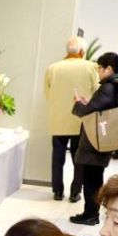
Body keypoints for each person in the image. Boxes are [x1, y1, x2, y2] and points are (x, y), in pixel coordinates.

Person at [70, 52, 118, 226]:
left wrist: (79, 104)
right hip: (102, 138)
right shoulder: (115, 85)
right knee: (95, 176)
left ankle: (90, 214)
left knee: (91, 178)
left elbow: (89, 111)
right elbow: (97, 108)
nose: (98, 71)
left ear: (108, 68)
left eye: (100, 68)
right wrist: (88, 103)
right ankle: (91, 212)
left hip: (95, 141)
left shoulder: (108, 87)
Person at [45, 36, 101, 202]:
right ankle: (75, 191)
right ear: (82, 51)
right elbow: (97, 91)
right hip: (81, 119)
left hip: (58, 119)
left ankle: (57, 190)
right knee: (79, 159)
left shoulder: (52, 68)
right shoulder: (91, 67)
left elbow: (47, 94)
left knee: (58, 157)